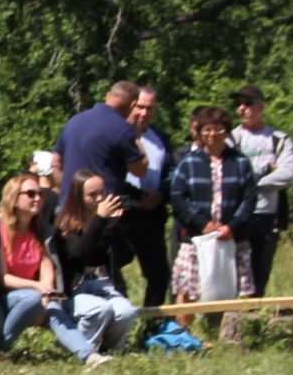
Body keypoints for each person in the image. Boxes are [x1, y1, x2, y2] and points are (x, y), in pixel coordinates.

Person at [0, 173, 105, 367]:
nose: (38, 198)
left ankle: (89, 355)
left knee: (54, 309)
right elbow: (2, 278)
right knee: (31, 298)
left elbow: (48, 264)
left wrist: (46, 290)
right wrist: (38, 288)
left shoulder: (41, 230)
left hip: (35, 295)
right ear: (13, 198)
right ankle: (1, 348)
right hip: (3, 296)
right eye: (30, 194)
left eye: (40, 194)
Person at [168, 106, 257, 325]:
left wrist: (232, 226)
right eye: (207, 129)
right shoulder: (188, 162)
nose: (212, 134)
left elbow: (250, 197)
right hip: (196, 238)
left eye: (218, 129)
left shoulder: (241, 162)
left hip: (233, 237)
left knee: (237, 286)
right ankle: (182, 336)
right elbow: (178, 197)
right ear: (199, 132)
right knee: (186, 287)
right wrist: (203, 224)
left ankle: (234, 333)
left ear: (226, 131)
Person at [51, 168, 138, 352]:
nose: (99, 199)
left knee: (126, 312)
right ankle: (83, 350)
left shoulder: (105, 222)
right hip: (75, 288)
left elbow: (126, 257)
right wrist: (99, 220)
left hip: (103, 282)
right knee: (100, 309)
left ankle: (112, 349)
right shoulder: (66, 226)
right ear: (78, 197)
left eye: (101, 193)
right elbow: (80, 255)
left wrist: (116, 226)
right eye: (93, 195)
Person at [229, 85, 293, 297]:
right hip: (236, 215)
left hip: (268, 215)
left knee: (260, 274)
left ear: (261, 106)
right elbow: (227, 174)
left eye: (248, 103)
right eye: (238, 104)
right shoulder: (230, 139)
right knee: (234, 275)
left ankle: (253, 324)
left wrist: (252, 182)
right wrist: (267, 170)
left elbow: (287, 175)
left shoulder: (279, 139)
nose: (242, 108)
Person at [53, 81, 148, 208]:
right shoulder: (122, 130)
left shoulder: (74, 120)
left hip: (67, 208)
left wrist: (69, 192)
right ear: (133, 104)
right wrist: (135, 134)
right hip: (99, 212)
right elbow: (140, 170)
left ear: (108, 95)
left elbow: (56, 163)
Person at [123, 88, 173, 309]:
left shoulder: (161, 139)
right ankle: (118, 325)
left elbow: (171, 173)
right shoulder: (117, 135)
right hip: (121, 212)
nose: (144, 113)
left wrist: (161, 192)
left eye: (149, 108)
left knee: (159, 274)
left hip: (152, 214)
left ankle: (150, 328)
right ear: (131, 105)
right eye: (139, 107)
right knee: (112, 272)